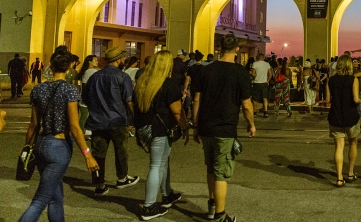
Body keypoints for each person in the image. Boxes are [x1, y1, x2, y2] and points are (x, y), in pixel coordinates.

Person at [19, 47, 99, 222]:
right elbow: (75, 127)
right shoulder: (70, 91)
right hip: (59, 146)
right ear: (70, 67)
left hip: (41, 144)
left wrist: (27, 148)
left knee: (55, 198)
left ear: (50, 66)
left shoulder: (38, 90)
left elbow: (33, 124)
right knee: (40, 200)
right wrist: (87, 155)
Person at [192, 34, 255, 222]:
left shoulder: (205, 70)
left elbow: (197, 99)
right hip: (225, 129)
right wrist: (251, 124)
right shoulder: (240, 72)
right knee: (222, 172)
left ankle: (211, 206)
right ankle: (220, 215)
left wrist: (195, 126)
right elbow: (246, 104)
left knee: (211, 168)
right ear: (236, 49)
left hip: (206, 127)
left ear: (220, 49)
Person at [133, 50, 190, 220]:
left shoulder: (143, 82)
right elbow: (177, 112)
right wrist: (185, 128)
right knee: (156, 166)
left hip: (144, 127)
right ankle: (149, 207)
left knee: (163, 162)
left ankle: (167, 195)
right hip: (160, 129)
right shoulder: (168, 85)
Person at [84, 46, 139, 196]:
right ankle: (122, 178)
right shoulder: (122, 77)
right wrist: (134, 119)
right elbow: (129, 101)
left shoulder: (94, 77)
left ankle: (99, 185)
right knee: (121, 150)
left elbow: (86, 98)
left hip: (97, 121)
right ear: (119, 60)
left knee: (98, 154)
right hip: (118, 120)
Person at [326, 53, 361, 186]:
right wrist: (359, 102)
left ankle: (339, 178)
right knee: (353, 144)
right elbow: (355, 99)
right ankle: (350, 173)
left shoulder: (331, 80)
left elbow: (328, 100)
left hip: (335, 116)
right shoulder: (353, 80)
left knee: (339, 147)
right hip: (351, 116)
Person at [77, 55, 99, 134]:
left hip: (83, 96)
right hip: (91, 97)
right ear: (90, 61)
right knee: (89, 116)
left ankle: (81, 132)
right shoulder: (92, 71)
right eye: (95, 60)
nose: (97, 61)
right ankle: (85, 132)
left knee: (83, 116)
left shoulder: (85, 71)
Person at [251, 53, 272, 117]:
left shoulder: (255, 64)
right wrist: (268, 81)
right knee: (265, 98)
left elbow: (253, 74)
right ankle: (265, 111)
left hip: (256, 83)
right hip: (264, 83)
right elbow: (270, 75)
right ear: (263, 58)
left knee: (255, 99)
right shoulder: (267, 64)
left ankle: (254, 111)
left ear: (258, 57)